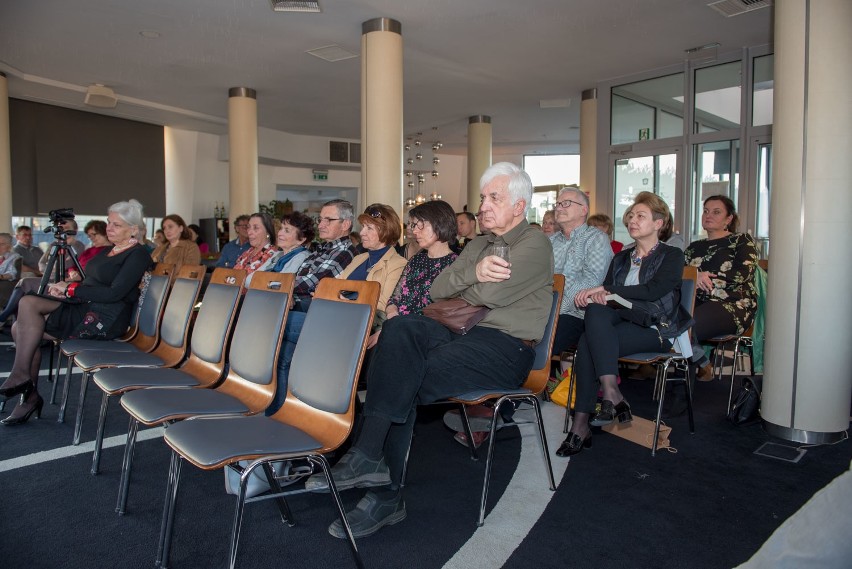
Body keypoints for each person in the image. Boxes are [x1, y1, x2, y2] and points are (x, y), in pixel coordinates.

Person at [303, 162, 553, 539]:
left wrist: (467, 281)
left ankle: (381, 486)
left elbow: (490, 293)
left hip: (506, 349)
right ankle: (371, 464)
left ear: (519, 206)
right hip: (459, 334)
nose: (483, 205)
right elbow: (439, 289)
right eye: (483, 197)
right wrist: (475, 271)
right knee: (399, 329)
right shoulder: (480, 244)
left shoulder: (534, 242)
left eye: (494, 197)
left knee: (402, 375)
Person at [556, 191, 691, 457]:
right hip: (624, 324)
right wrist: (601, 293)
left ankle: (581, 424)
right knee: (595, 314)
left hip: (657, 328)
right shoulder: (621, 258)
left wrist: (606, 289)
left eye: (641, 216)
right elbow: (608, 300)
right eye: (630, 216)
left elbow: (653, 291)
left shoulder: (671, 255)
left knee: (588, 341)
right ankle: (610, 392)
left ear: (658, 223)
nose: (632, 220)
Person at [0, 199, 152, 426]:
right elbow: (92, 277)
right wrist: (67, 285)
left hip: (105, 317)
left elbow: (114, 293)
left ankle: (24, 386)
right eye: (109, 222)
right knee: (18, 325)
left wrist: (71, 289)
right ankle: (27, 392)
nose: (109, 228)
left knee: (29, 305)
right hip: (87, 305)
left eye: (116, 225)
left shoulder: (138, 255)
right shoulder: (111, 250)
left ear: (134, 229)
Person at [267, 199, 356, 415]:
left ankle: (278, 413)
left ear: (345, 224)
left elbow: (309, 283)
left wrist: (277, 287)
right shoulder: (321, 249)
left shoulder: (344, 252)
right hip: (305, 310)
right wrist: (284, 288)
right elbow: (297, 280)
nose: (321, 224)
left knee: (270, 322)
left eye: (328, 219)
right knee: (283, 356)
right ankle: (279, 413)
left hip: (323, 319)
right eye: (320, 219)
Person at [685, 195, 759, 380]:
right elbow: (680, 274)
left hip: (733, 303)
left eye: (716, 212)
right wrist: (694, 275)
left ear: (729, 219)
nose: (708, 215)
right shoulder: (694, 247)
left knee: (685, 325)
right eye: (706, 211)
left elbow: (743, 274)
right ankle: (701, 362)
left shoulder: (741, 241)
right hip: (698, 302)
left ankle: (685, 389)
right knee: (669, 320)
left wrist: (700, 275)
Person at [336, 204, 406, 343]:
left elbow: (383, 303)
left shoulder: (399, 264)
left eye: (369, 228)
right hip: (339, 315)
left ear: (385, 232)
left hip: (361, 323)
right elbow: (336, 286)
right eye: (363, 227)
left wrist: (347, 300)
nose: (362, 233)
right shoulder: (358, 259)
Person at [256, 211, 314, 276]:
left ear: (301, 239)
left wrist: (259, 281)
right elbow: (250, 279)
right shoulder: (278, 254)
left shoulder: (302, 257)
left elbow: (280, 283)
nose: (280, 233)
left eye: (287, 231)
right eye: (281, 228)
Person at [233, 212, 278, 284]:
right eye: (248, 227)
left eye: (256, 228)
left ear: (268, 232)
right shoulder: (248, 252)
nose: (249, 232)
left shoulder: (272, 255)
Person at [0, 233, 21, 307]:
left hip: (4, 285)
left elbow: (12, 273)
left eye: (2, 244)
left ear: (9, 246)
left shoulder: (14, 257)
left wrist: (1, 276)